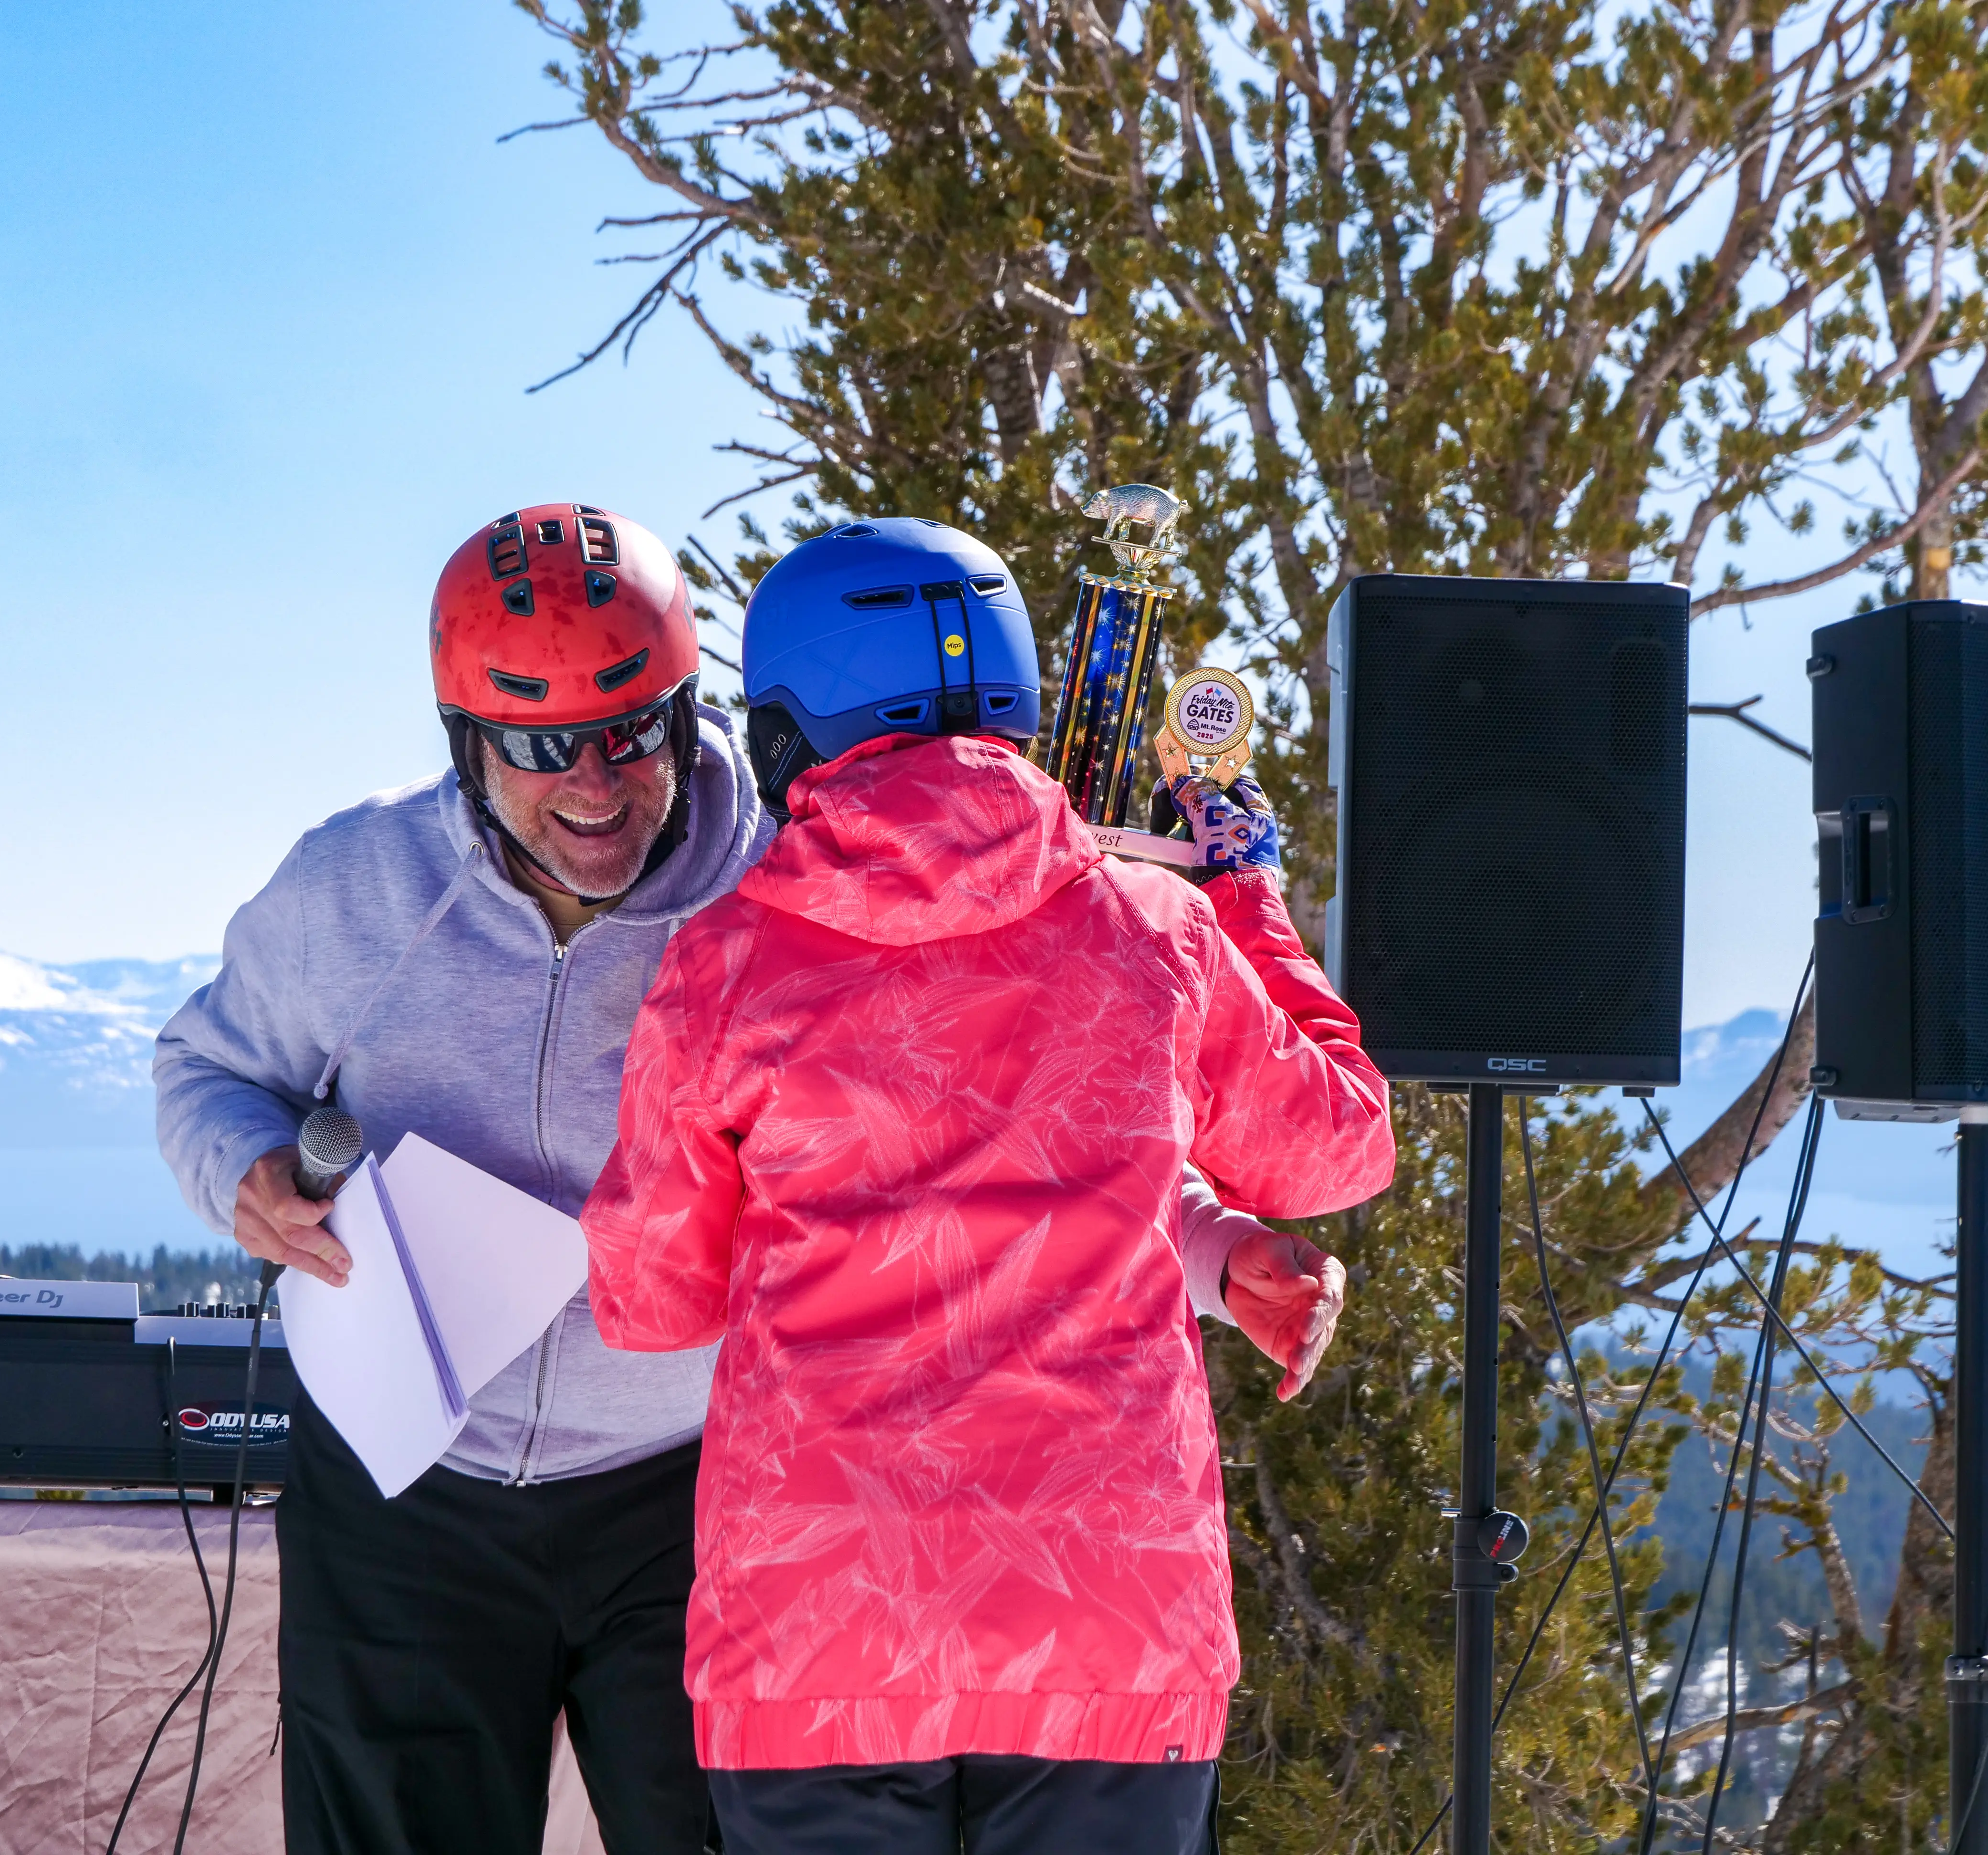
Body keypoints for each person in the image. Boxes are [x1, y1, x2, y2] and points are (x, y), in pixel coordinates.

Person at [579, 517, 1396, 1855]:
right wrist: (1245, 892)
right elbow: (1340, 1146)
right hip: (1111, 1621)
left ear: (788, 727)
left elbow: (650, 1301)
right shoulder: (1158, 927)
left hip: (819, 1629)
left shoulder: (727, 963)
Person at [153, 503, 774, 1855]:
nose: (596, 788)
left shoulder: (779, 892)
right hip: (404, 1485)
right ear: (466, 741)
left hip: (696, 1484)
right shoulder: (355, 886)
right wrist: (244, 1175)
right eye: (542, 749)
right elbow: (207, 1069)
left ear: (681, 715)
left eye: (628, 737)